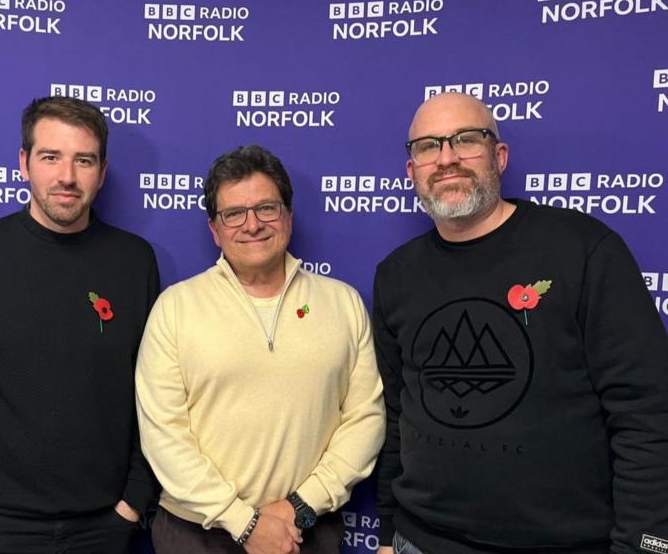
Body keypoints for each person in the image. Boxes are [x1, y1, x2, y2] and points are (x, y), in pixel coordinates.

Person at [373, 92, 668, 553]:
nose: (447, 158)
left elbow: (648, 413)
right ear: (411, 170)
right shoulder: (395, 275)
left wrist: (645, 544)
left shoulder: (583, 249)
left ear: (500, 155)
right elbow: (397, 415)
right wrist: (390, 531)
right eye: (428, 146)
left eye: (466, 139)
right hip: (420, 541)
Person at [0, 96, 160, 554]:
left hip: (103, 525)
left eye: (84, 160)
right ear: (24, 162)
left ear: (101, 170)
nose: (67, 177)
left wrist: (133, 501)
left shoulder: (134, 260)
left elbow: (155, 387)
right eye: (50, 157)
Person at [135, 144, 385, 554]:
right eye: (234, 213)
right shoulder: (175, 308)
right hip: (196, 536)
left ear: (288, 215)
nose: (252, 225)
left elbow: (365, 420)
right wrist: (245, 523)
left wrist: (298, 508)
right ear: (215, 229)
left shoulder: (343, 303)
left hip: (306, 531)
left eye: (266, 208)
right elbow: (163, 435)